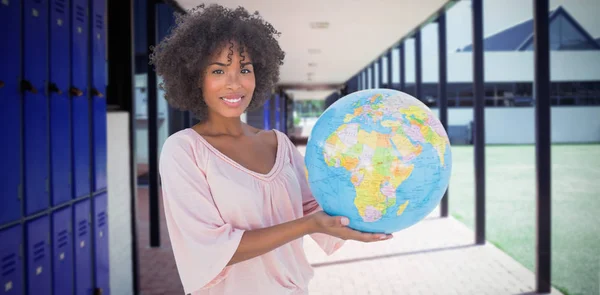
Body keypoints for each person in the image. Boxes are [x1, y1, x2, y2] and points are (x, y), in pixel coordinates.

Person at [150, 4, 393, 295]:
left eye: (244, 69)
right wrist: (308, 225)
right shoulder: (184, 151)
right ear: (194, 78)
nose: (235, 83)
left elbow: (319, 208)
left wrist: (373, 198)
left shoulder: (279, 144)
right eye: (218, 70)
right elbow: (215, 248)